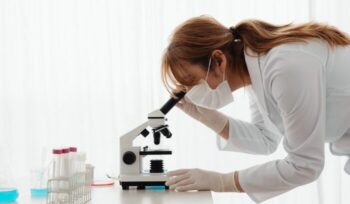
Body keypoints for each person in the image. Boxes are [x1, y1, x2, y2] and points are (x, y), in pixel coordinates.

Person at [161, 15, 350, 202]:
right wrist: (206, 116)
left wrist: (221, 181)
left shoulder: (284, 68)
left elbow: (304, 166)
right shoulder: (255, 69)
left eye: (191, 82)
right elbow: (266, 139)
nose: (191, 92)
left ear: (218, 60)